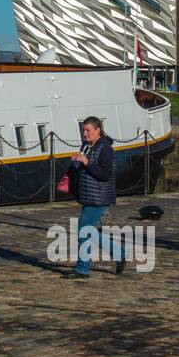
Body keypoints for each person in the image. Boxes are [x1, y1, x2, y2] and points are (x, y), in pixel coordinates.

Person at [61, 115, 123, 279]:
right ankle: (120, 253)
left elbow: (106, 174)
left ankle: (82, 268)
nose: (85, 134)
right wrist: (76, 161)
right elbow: (82, 168)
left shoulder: (106, 149)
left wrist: (87, 162)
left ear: (98, 130)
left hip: (99, 198)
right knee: (87, 231)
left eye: (88, 130)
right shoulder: (86, 146)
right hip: (87, 196)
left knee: (83, 230)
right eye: (83, 131)